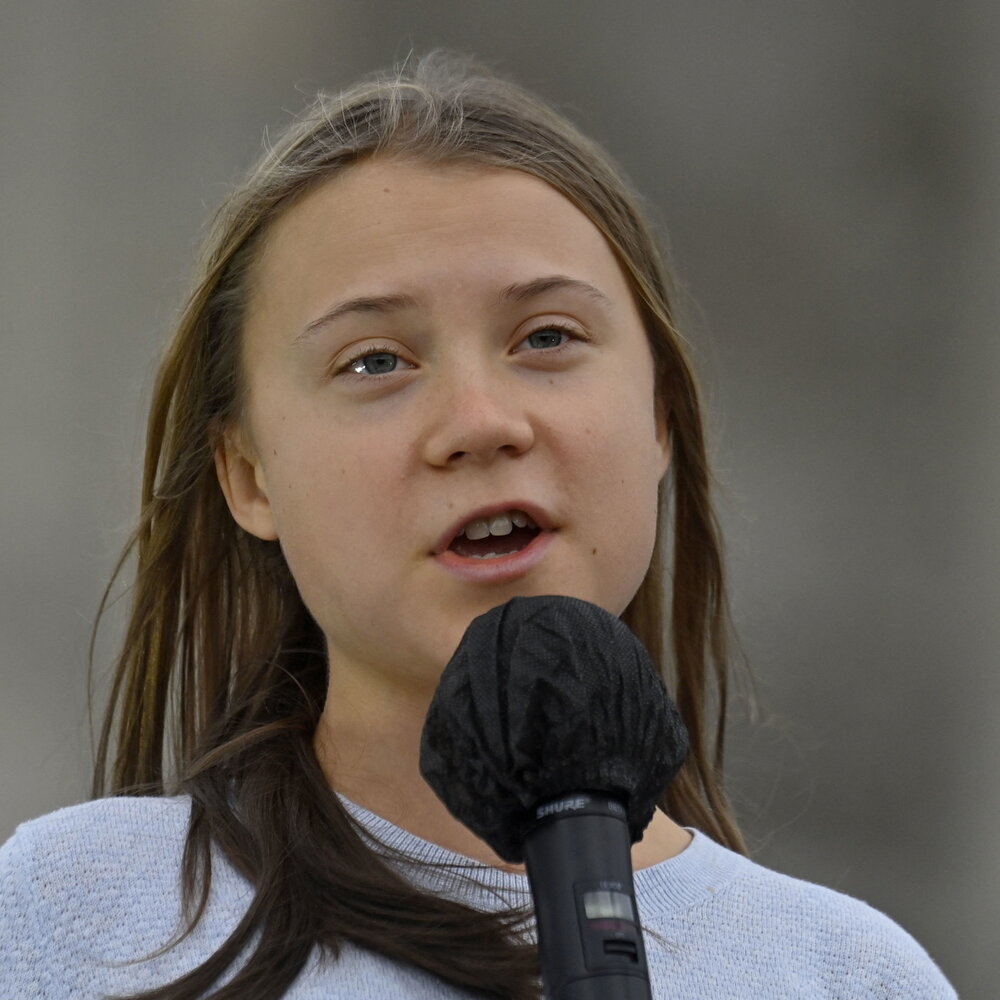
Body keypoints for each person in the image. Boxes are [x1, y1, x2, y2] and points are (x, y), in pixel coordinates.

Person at [0, 52, 956, 1000]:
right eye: (375, 361)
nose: (481, 423)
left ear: (661, 417)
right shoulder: (76, 921)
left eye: (547, 338)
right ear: (247, 476)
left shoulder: (845, 973)